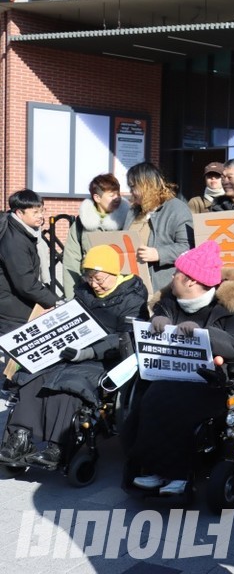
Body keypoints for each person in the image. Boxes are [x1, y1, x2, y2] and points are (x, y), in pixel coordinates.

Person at [125, 240, 234, 495]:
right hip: (169, 378)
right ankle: (152, 469)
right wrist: (157, 319)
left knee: (176, 404)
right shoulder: (170, 302)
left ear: (191, 281)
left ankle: (179, 476)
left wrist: (206, 335)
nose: (172, 277)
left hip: (213, 384)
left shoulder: (229, 308)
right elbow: (155, 323)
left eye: (177, 274)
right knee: (150, 400)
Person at [0, 245, 149, 466]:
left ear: (114, 272)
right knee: (35, 376)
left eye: (99, 279)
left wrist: (88, 352)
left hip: (107, 357)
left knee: (71, 383)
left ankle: (57, 446)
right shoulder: (83, 291)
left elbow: (125, 338)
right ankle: (20, 436)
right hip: (72, 350)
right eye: (89, 278)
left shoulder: (132, 297)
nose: (94, 284)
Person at [122, 162, 194, 292]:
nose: (131, 192)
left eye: (133, 187)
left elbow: (189, 247)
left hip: (162, 288)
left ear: (146, 186)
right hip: (132, 286)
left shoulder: (177, 209)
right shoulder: (133, 211)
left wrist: (159, 254)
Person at [62, 174, 131, 300]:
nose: (117, 198)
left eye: (118, 194)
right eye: (111, 195)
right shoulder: (81, 224)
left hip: (122, 293)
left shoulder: (129, 220)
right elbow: (71, 261)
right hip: (90, 290)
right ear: (97, 197)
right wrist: (72, 297)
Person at [0, 189, 59, 335]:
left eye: (42, 210)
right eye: (35, 212)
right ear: (19, 213)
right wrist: (54, 301)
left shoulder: (21, 230)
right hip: (11, 307)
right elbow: (25, 282)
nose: (41, 216)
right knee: (15, 350)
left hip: (13, 301)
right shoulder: (15, 241)